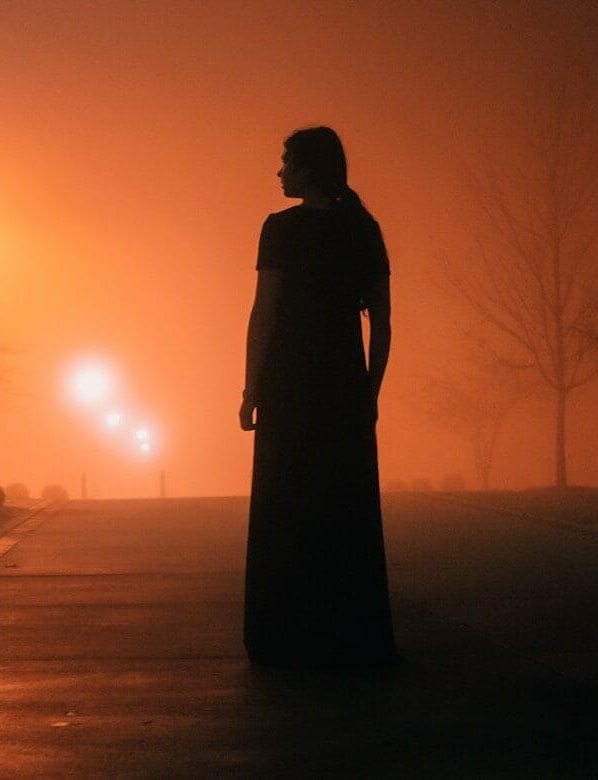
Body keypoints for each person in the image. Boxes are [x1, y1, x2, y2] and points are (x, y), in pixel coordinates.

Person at [239, 126, 398, 667]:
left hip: (289, 385)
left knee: (287, 506)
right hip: (344, 386)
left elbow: (265, 313)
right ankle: (351, 632)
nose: (279, 172)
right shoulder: (364, 228)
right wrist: (370, 392)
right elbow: (383, 323)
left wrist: (251, 388)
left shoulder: (281, 230)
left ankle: (284, 632)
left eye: (286, 162)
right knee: (344, 509)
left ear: (308, 168)